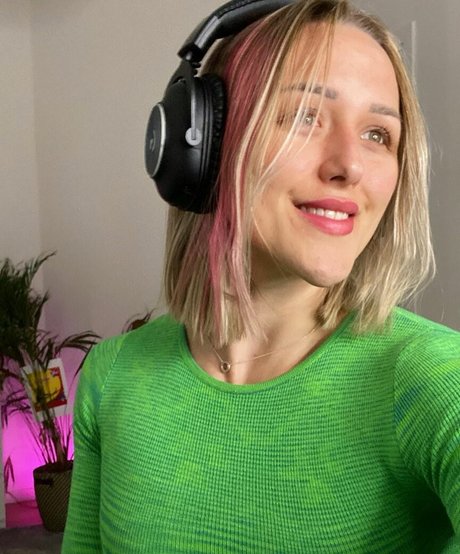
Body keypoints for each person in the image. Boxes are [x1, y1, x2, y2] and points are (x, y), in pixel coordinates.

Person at [62, 0, 460, 552]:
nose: (350, 165)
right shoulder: (113, 376)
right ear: (202, 146)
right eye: (304, 116)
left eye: (377, 134)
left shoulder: (434, 378)